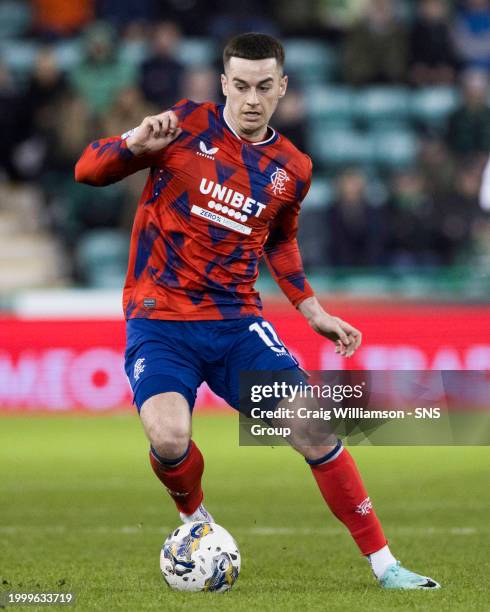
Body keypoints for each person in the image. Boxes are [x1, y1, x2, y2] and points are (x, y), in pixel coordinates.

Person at [75, 32, 440, 590]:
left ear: (282, 88)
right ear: (223, 83)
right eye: (240, 85)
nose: (251, 98)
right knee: (168, 437)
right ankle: (194, 520)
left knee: (315, 428)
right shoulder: (184, 125)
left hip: (238, 324)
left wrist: (309, 307)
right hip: (161, 320)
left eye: (264, 87)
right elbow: (87, 171)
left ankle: (386, 566)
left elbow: (280, 240)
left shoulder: (292, 167)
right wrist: (134, 140)